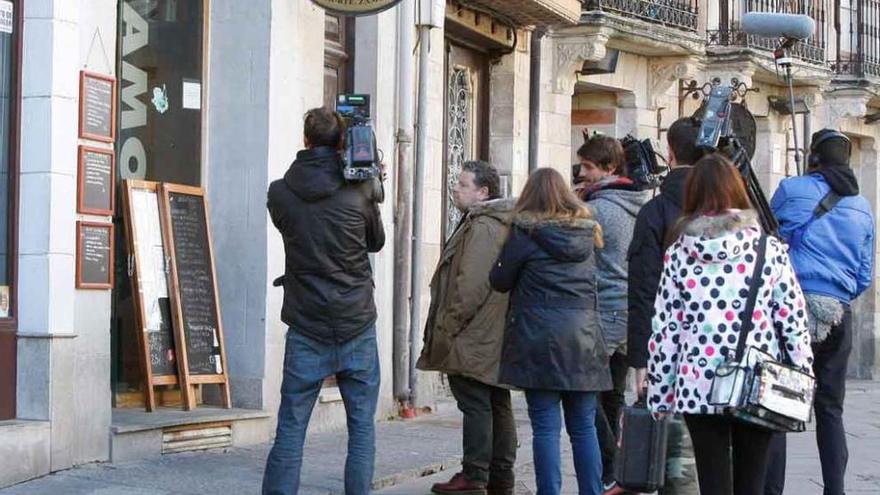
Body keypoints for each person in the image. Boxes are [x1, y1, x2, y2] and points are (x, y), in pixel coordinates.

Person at [649, 153, 814, 495]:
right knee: (752, 482)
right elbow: (793, 320)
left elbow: (666, 330)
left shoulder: (678, 252)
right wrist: (802, 375)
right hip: (757, 381)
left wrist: (660, 395)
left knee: (712, 483)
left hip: (698, 383)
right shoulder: (769, 249)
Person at [263, 107, 385, 495]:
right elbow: (376, 242)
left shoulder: (280, 193)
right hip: (356, 320)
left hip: (306, 321)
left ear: (305, 140)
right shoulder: (360, 189)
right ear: (341, 143)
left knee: (291, 426)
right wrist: (373, 186)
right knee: (362, 427)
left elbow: (294, 227)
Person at [764, 129, 875, 495]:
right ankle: (835, 489)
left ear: (814, 158)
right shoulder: (862, 207)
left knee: (777, 406)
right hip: (839, 314)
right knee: (830, 409)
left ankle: (771, 490)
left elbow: (767, 238)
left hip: (790, 310)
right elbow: (863, 275)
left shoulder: (792, 189)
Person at [490, 168, 611, 495]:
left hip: (538, 338)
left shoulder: (524, 234)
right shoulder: (588, 235)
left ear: (529, 197)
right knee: (584, 427)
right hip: (584, 339)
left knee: (545, 427)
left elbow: (498, 281)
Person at [417, 160, 518, 495]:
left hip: (474, 332)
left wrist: (449, 325)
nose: (455, 189)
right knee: (494, 401)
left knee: (477, 402)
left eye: (462, 184)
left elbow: (470, 284)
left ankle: (476, 476)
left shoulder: (484, 226)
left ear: (483, 191)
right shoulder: (489, 221)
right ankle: (499, 476)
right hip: (489, 330)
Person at [627, 117, 704, 495]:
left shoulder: (655, 212)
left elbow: (643, 290)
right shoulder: (731, 213)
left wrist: (641, 358)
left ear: (669, 153)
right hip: (725, 355)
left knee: (677, 462)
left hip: (669, 350)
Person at [577, 135, 651, 494]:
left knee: (586, 394)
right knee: (613, 396)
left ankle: (611, 466)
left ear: (608, 168)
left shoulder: (599, 209)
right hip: (629, 311)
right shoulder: (637, 202)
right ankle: (620, 470)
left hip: (604, 309)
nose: (582, 173)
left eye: (588, 167)